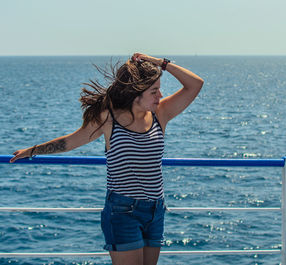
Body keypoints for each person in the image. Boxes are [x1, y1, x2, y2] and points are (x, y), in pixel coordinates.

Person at [10, 53, 204, 265]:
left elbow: (195, 84)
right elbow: (72, 141)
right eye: (154, 91)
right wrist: (33, 150)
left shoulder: (161, 113)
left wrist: (159, 62)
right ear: (135, 93)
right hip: (123, 211)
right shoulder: (109, 118)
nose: (160, 96)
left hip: (155, 210)